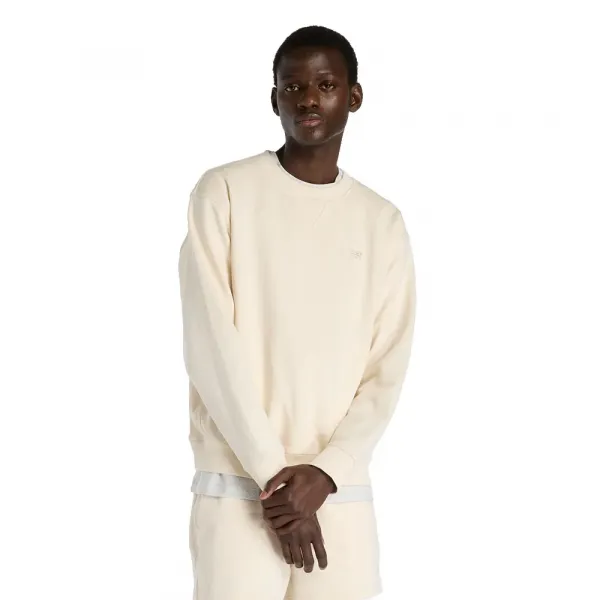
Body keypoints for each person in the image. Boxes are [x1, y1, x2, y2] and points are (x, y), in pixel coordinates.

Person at [178, 24, 417, 600]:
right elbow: (211, 347)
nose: (309, 99)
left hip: (337, 492)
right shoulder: (224, 193)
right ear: (274, 98)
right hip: (238, 491)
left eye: (326, 85)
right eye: (293, 87)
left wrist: (329, 470)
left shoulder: (381, 222)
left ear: (353, 96)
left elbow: (386, 368)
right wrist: (276, 482)